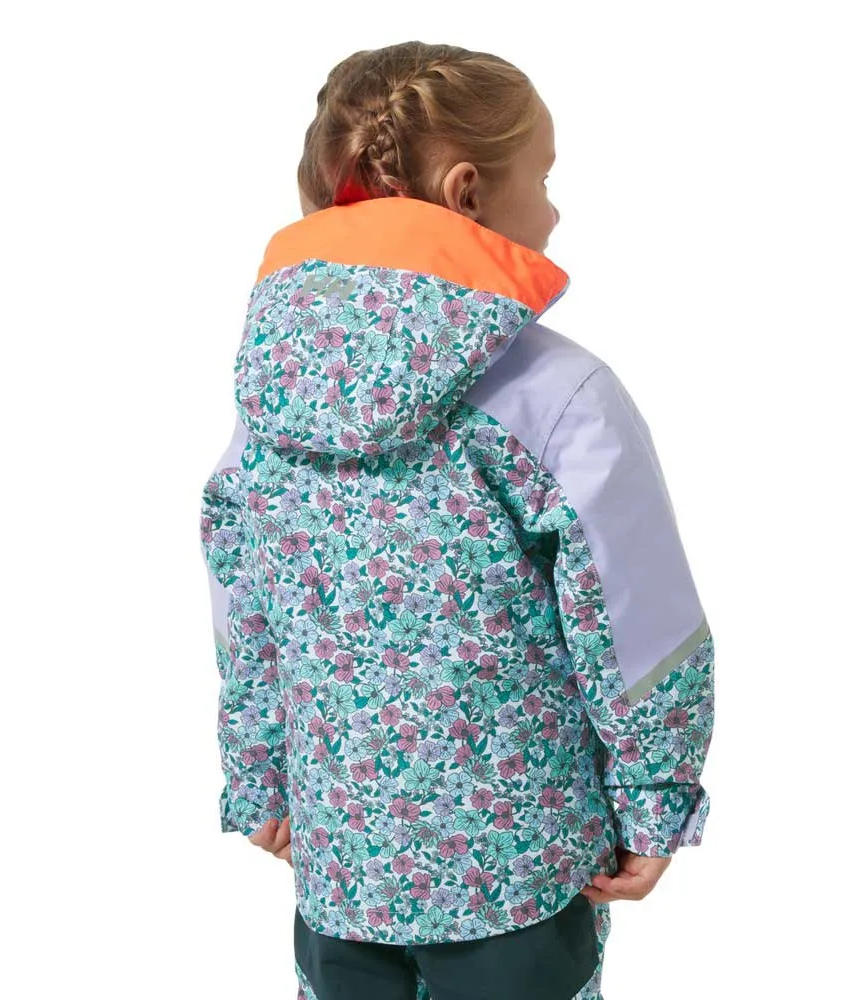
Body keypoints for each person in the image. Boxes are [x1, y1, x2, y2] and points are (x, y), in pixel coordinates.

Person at [199, 40, 715, 1000]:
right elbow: (635, 622)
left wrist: (258, 769)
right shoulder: (560, 395)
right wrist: (656, 800)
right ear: (468, 192)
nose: (554, 210)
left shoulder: (270, 394)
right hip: (520, 878)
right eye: (545, 178)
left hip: (342, 870)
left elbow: (245, 594)